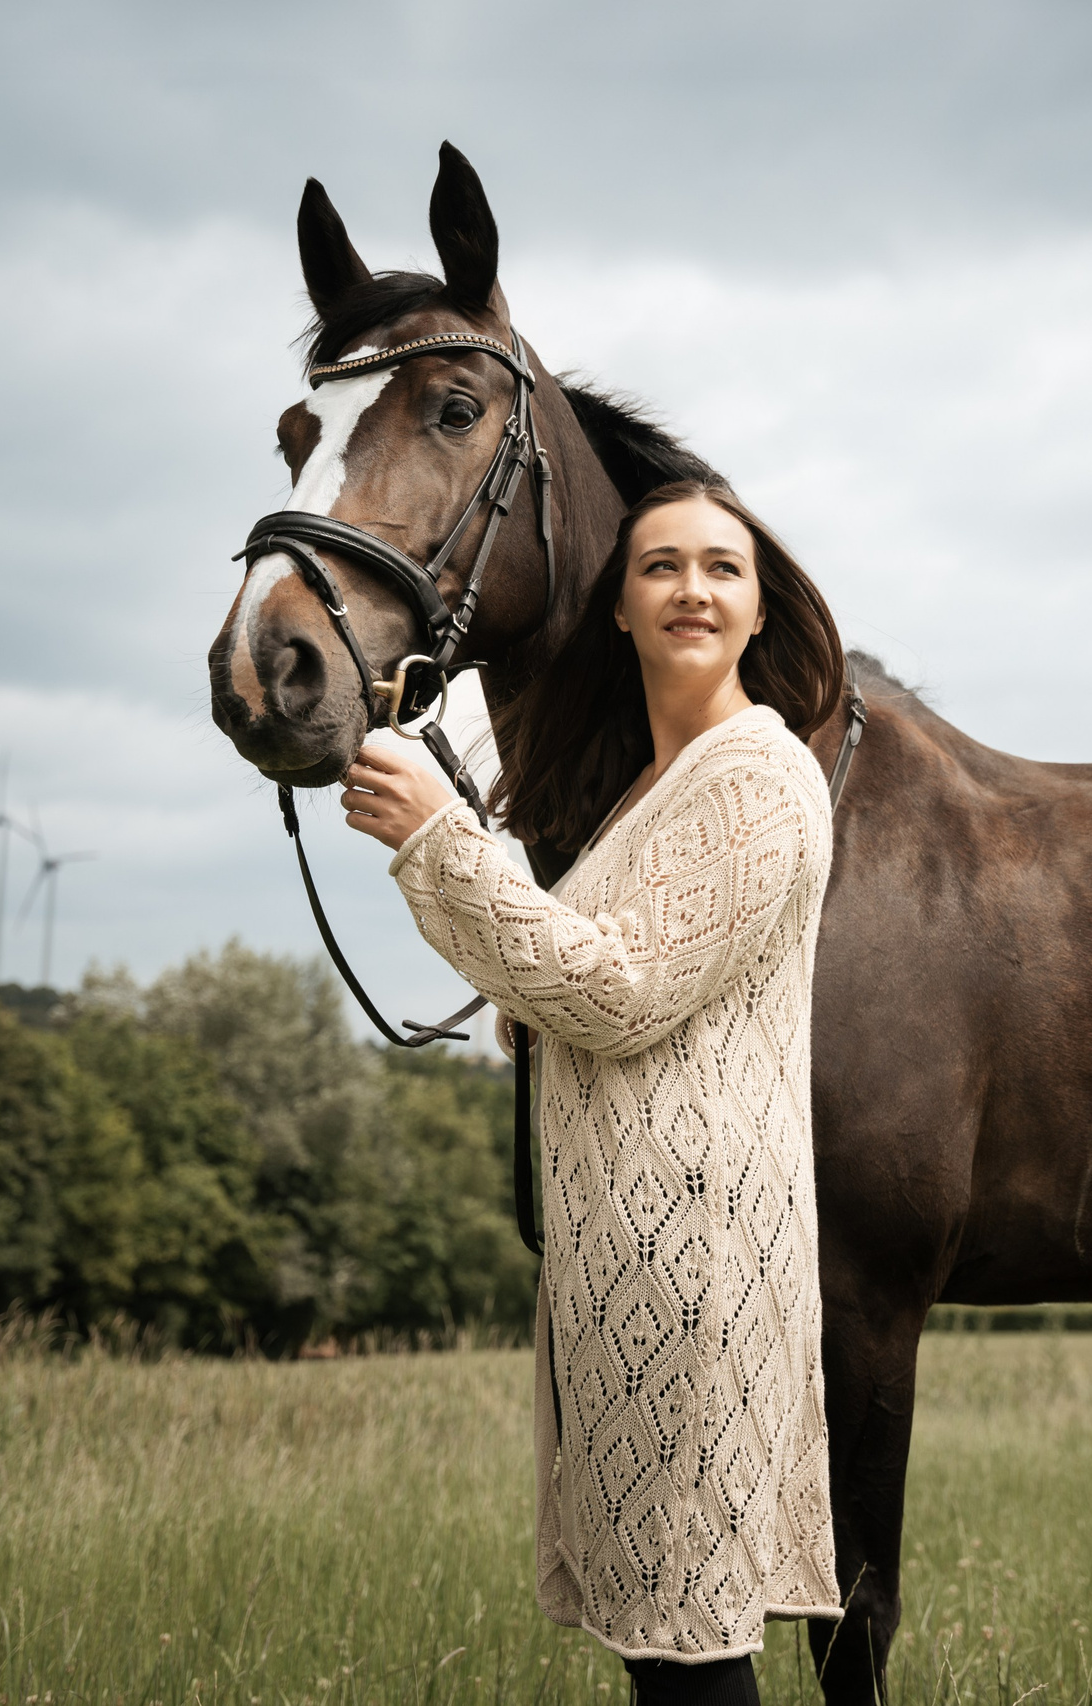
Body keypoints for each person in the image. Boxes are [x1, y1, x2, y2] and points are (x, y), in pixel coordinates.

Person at [341, 479, 849, 1704]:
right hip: (624, 1254)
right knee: (661, 1647)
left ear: (757, 603)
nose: (691, 588)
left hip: (696, 1262)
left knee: (691, 1653)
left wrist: (439, 844)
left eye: (721, 567)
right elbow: (590, 995)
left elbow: (614, 994)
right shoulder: (649, 788)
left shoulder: (756, 776)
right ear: (617, 606)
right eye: (660, 565)